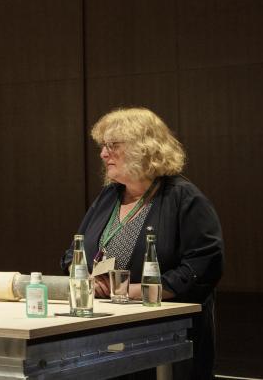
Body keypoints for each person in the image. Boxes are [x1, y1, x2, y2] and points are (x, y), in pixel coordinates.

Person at [60, 107, 224, 379]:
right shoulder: (109, 197)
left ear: (144, 148)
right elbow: (72, 252)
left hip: (164, 337)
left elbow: (204, 267)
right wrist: (82, 276)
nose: (103, 154)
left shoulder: (183, 197)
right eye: (103, 146)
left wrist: (133, 291)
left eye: (112, 146)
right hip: (105, 331)